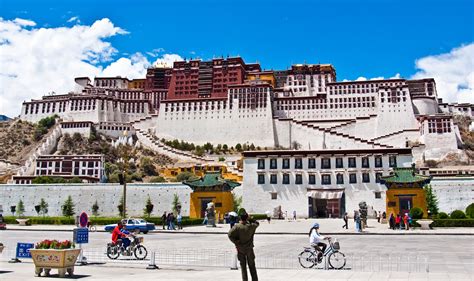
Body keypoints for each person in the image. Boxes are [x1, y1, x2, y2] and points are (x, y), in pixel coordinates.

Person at [228, 208, 259, 281]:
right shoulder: (251, 226)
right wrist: (250, 219)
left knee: (243, 268)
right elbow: (257, 223)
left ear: (240, 218)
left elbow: (229, 235)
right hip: (249, 249)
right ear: (246, 217)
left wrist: (236, 242)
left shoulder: (237, 227)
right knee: (252, 266)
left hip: (240, 249)